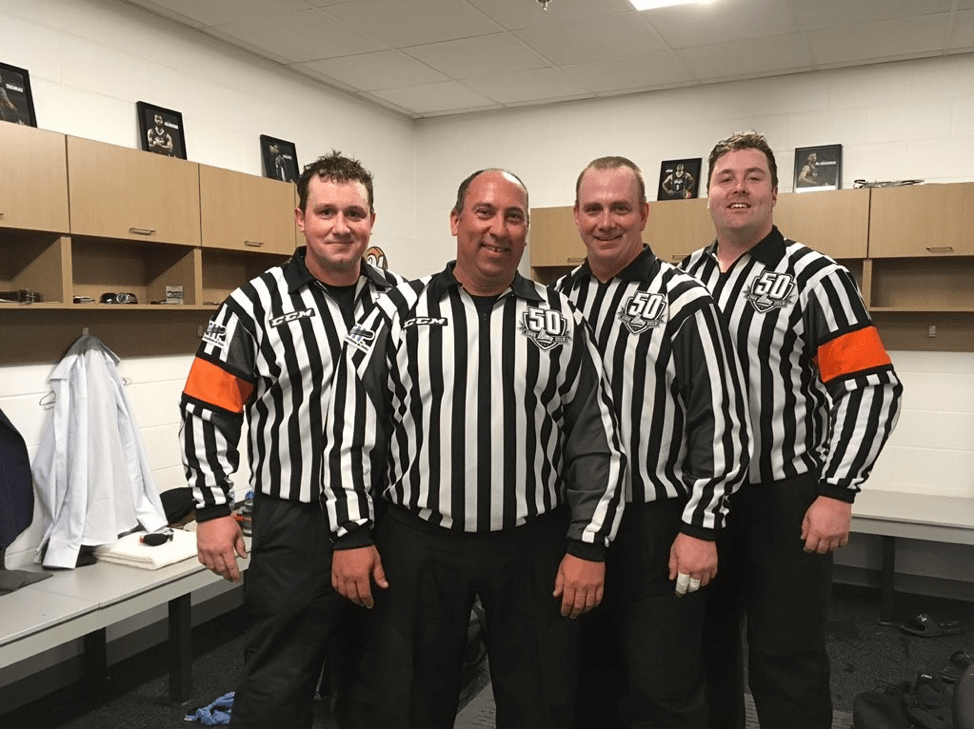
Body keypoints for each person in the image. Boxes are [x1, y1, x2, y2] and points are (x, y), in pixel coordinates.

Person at [322, 168, 626, 729]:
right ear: (456, 220)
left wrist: (589, 544)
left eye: (513, 217)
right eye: (484, 213)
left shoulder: (561, 318)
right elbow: (350, 429)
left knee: (540, 703)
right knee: (409, 703)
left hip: (531, 545)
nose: (498, 229)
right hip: (420, 544)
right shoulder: (395, 312)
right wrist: (351, 533)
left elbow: (596, 439)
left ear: (526, 230)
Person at [680, 132, 903, 729]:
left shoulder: (816, 277)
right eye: (726, 178)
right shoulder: (682, 278)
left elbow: (871, 387)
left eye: (754, 177)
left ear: (775, 193)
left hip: (786, 500)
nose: (739, 189)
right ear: (709, 194)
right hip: (702, 502)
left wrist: (837, 491)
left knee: (787, 658)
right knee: (705, 649)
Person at [179, 151, 404, 729]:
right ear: (301, 218)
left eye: (354, 213)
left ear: (371, 220)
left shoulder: (401, 302)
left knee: (377, 674)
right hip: (294, 521)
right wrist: (212, 509)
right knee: (280, 677)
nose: (340, 226)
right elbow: (205, 408)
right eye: (326, 212)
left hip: (385, 518)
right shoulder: (254, 304)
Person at [554, 156, 750, 729]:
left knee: (663, 688)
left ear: (643, 214)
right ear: (576, 216)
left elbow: (719, 421)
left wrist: (701, 527)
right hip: (576, 523)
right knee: (585, 680)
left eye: (620, 208)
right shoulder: (555, 301)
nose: (606, 221)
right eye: (594, 208)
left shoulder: (684, 300)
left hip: (656, 525)